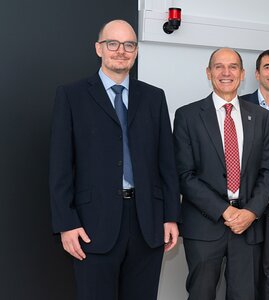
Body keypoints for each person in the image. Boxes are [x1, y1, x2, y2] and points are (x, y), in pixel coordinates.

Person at [49, 19, 179, 300]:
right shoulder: (71, 96)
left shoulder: (154, 97)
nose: (121, 50)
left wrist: (170, 216)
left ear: (136, 51)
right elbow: (59, 167)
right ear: (99, 49)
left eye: (129, 44)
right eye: (113, 44)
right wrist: (65, 223)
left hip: (148, 223)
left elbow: (167, 163)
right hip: (92, 225)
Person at [173, 47, 269, 300]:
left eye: (233, 67)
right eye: (219, 66)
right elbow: (184, 175)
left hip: (248, 226)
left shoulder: (261, 117)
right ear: (209, 73)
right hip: (204, 225)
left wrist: (251, 212)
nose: (226, 72)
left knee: (245, 295)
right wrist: (225, 211)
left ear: (242, 74)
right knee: (201, 294)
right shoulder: (187, 116)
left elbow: (268, 170)